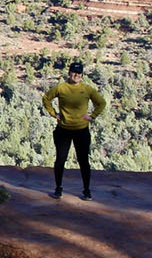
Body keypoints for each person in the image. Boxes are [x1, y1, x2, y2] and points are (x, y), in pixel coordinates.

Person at [41, 59, 106, 199]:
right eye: (74, 72)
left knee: (83, 161)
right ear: (69, 73)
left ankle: (86, 190)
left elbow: (101, 103)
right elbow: (46, 98)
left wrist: (92, 116)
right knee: (60, 159)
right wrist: (54, 114)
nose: (76, 75)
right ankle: (58, 188)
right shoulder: (61, 87)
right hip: (63, 129)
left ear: (82, 75)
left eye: (79, 73)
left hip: (81, 130)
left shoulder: (87, 89)